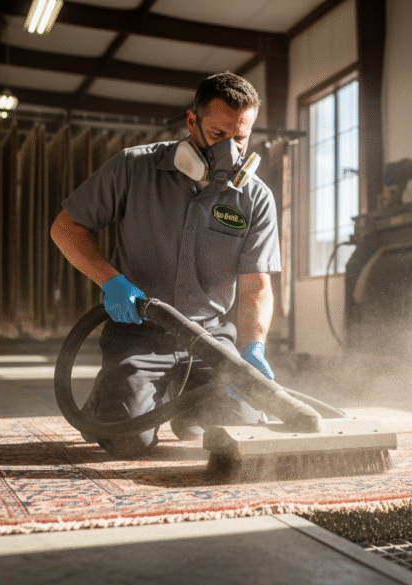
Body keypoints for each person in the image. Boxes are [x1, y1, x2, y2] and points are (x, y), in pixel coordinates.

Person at [50, 72, 281, 458]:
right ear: (192, 121)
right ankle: (112, 392)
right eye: (219, 134)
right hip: (138, 333)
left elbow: (257, 284)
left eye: (240, 137)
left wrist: (252, 347)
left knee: (241, 432)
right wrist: (111, 281)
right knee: (128, 441)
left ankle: (186, 404)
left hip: (209, 339)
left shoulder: (255, 197)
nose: (232, 150)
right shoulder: (133, 167)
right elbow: (65, 228)